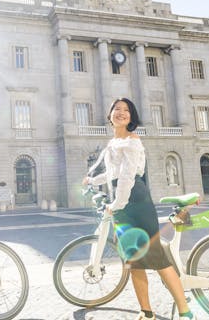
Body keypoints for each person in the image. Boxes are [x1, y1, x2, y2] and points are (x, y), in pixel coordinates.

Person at [83, 98, 196, 320]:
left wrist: (115, 206)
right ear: (110, 115)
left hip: (135, 201)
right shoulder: (114, 142)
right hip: (124, 202)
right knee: (134, 262)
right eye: (117, 109)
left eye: (126, 110)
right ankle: (146, 312)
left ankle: (185, 312)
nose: (121, 113)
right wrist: (93, 181)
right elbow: (113, 174)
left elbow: (127, 176)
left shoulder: (132, 141)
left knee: (157, 260)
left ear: (132, 117)